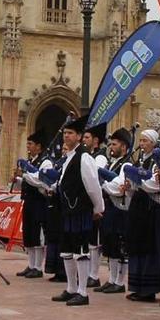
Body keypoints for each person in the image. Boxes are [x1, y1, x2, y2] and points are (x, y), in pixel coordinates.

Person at [50, 115, 104, 306]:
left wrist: (99, 208)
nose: (66, 136)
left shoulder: (84, 157)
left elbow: (92, 185)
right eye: (65, 133)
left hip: (81, 209)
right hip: (67, 210)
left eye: (70, 133)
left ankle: (82, 292)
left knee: (81, 250)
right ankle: (71, 288)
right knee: (67, 250)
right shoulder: (69, 157)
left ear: (79, 136)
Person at [124, 129, 160, 302]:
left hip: (152, 209)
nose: (142, 144)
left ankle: (149, 288)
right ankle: (138, 286)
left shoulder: (158, 162)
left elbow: (158, 186)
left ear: (154, 144)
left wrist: (139, 181)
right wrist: (130, 185)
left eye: (145, 141)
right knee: (138, 246)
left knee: (150, 247)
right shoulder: (141, 161)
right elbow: (141, 184)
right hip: (139, 207)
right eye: (140, 140)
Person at [95, 127, 133, 294]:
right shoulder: (113, 163)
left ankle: (119, 281)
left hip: (121, 209)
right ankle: (111, 279)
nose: (111, 147)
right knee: (110, 244)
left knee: (120, 245)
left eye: (115, 144)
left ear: (123, 147)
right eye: (110, 144)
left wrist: (104, 184)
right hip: (110, 208)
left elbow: (119, 188)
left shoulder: (127, 163)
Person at [16, 132, 50, 278]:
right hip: (29, 201)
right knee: (29, 234)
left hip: (39, 202)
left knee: (37, 234)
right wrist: (18, 178)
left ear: (39, 146)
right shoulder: (32, 161)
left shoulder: (45, 162)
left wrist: (24, 174)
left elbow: (41, 181)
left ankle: (37, 267)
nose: (28, 147)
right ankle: (30, 265)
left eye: (30, 144)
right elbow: (28, 181)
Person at [82, 122, 108, 288]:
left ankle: (94, 274)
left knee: (95, 240)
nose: (84, 140)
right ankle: (88, 273)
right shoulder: (86, 155)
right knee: (88, 239)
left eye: (87, 137)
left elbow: (94, 177)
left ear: (96, 141)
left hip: (97, 200)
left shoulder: (100, 157)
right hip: (86, 201)